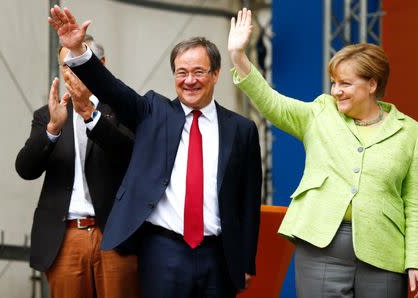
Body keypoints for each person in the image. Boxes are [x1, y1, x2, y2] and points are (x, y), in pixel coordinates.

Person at [47, 5, 262, 298]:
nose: (189, 80)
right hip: (163, 251)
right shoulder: (153, 111)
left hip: (219, 256)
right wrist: (77, 51)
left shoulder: (241, 129)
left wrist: (246, 260)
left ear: (216, 73)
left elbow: (248, 201)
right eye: (182, 72)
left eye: (199, 72)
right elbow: (111, 89)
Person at [228, 8, 418, 298]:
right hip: (321, 247)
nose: (336, 91)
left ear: (372, 84)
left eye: (345, 83)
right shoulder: (320, 112)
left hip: (385, 253)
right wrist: (239, 57)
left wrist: (417, 262)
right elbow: (273, 103)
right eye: (334, 82)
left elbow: (416, 204)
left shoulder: (411, 132)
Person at [15, 36, 140, 298]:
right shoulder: (48, 114)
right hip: (66, 236)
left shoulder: (124, 108)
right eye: (66, 66)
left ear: (101, 65)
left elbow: (130, 155)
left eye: (80, 63)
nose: (72, 72)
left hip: (115, 236)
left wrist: (89, 115)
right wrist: (52, 129)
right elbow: (26, 169)